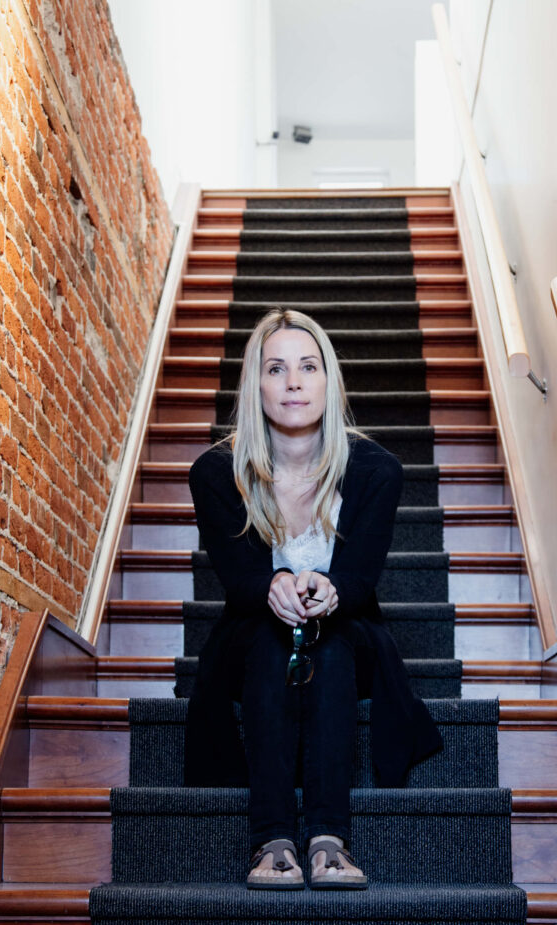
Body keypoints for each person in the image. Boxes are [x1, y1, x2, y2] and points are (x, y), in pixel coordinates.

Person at [184, 308, 442, 891]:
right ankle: (273, 841)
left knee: (329, 642)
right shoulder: (215, 472)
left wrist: (332, 589)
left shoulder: (377, 469)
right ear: (257, 385)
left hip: (347, 636)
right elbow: (237, 579)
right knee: (276, 639)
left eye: (307, 367)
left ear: (329, 380)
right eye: (276, 369)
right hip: (252, 639)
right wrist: (269, 586)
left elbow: (361, 577)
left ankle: (329, 840)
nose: (293, 382)